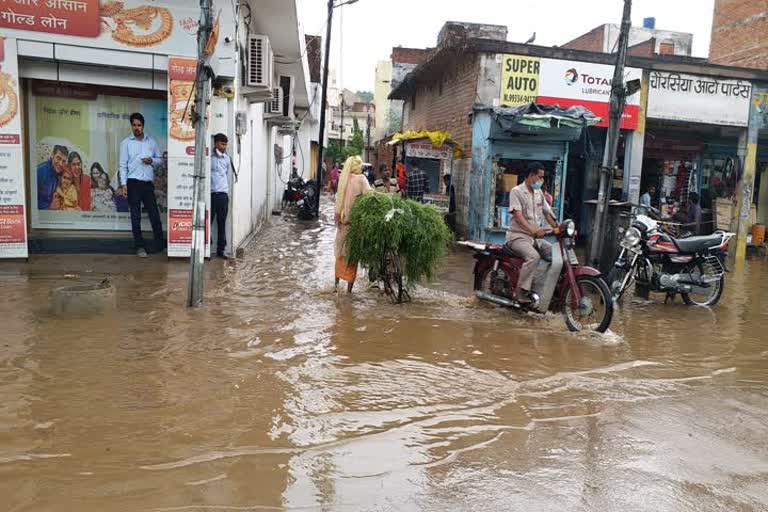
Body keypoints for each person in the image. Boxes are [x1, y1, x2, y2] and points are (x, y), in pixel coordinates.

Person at [506, 162, 560, 304]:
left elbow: (547, 213)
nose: (541, 181)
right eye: (539, 177)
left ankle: (545, 288)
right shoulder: (516, 191)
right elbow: (518, 216)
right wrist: (532, 230)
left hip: (536, 238)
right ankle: (520, 292)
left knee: (556, 255)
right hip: (518, 237)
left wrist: (558, 228)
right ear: (531, 175)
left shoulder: (539, 193)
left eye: (543, 178)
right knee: (533, 257)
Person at [118, 112, 165, 258]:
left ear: (143, 126)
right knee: (135, 216)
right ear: (131, 126)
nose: (136, 128)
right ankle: (139, 246)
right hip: (133, 183)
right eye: (134, 125)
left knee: (154, 214)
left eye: (139, 125)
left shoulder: (151, 142)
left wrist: (151, 160)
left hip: (147, 184)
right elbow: (122, 165)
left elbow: (160, 160)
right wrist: (124, 184)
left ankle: (160, 244)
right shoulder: (126, 143)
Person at [334, 155, 372, 292]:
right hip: (355, 224)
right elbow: (369, 195)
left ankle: (336, 285)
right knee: (352, 256)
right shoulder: (361, 179)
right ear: (358, 166)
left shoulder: (343, 179)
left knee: (340, 254)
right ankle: (349, 291)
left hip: (343, 224)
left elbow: (338, 199)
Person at [210, 133, 231, 259]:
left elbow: (227, 175)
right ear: (216, 143)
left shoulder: (227, 159)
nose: (224, 147)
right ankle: (206, 247)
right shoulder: (208, 157)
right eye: (222, 144)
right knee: (208, 222)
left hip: (223, 195)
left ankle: (221, 249)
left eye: (225, 144)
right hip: (211, 195)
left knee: (221, 223)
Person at [37, 145, 68, 210]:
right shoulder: (40, 171)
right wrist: (49, 206)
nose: (60, 164)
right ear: (52, 155)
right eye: (58, 158)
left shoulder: (60, 172)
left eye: (63, 161)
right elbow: (30, 200)